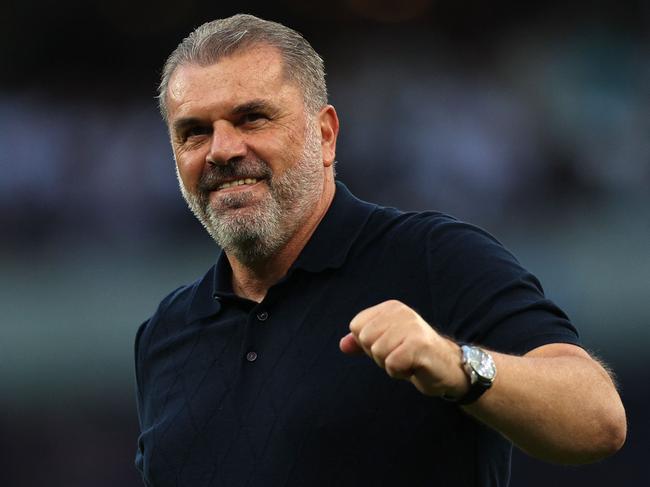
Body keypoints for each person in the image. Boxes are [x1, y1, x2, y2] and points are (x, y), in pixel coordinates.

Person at [134, 14, 626, 487]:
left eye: (252, 118)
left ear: (324, 135)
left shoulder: (432, 257)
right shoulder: (165, 336)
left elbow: (597, 418)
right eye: (194, 131)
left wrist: (458, 366)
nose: (221, 149)